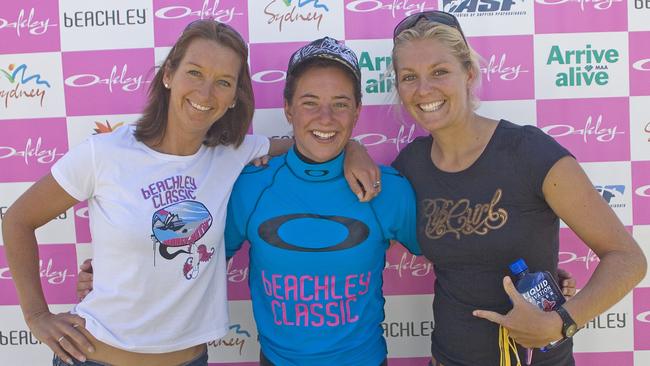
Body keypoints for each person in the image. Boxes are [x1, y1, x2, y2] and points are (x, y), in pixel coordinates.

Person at [1, 21, 378, 366]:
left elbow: (308, 142)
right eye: (194, 73)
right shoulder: (105, 153)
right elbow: (17, 219)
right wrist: (36, 316)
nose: (205, 92)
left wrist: (354, 148)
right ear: (169, 75)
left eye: (223, 82)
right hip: (96, 357)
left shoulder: (232, 153)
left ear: (233, 97)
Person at [389, 11, 647, 366]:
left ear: (469, 73)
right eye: (409, 77)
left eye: (439, 71)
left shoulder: (528, 152)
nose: (424, 89)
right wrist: (352, 152)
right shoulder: (410, 166)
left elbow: (628, 259)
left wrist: (563, 322)